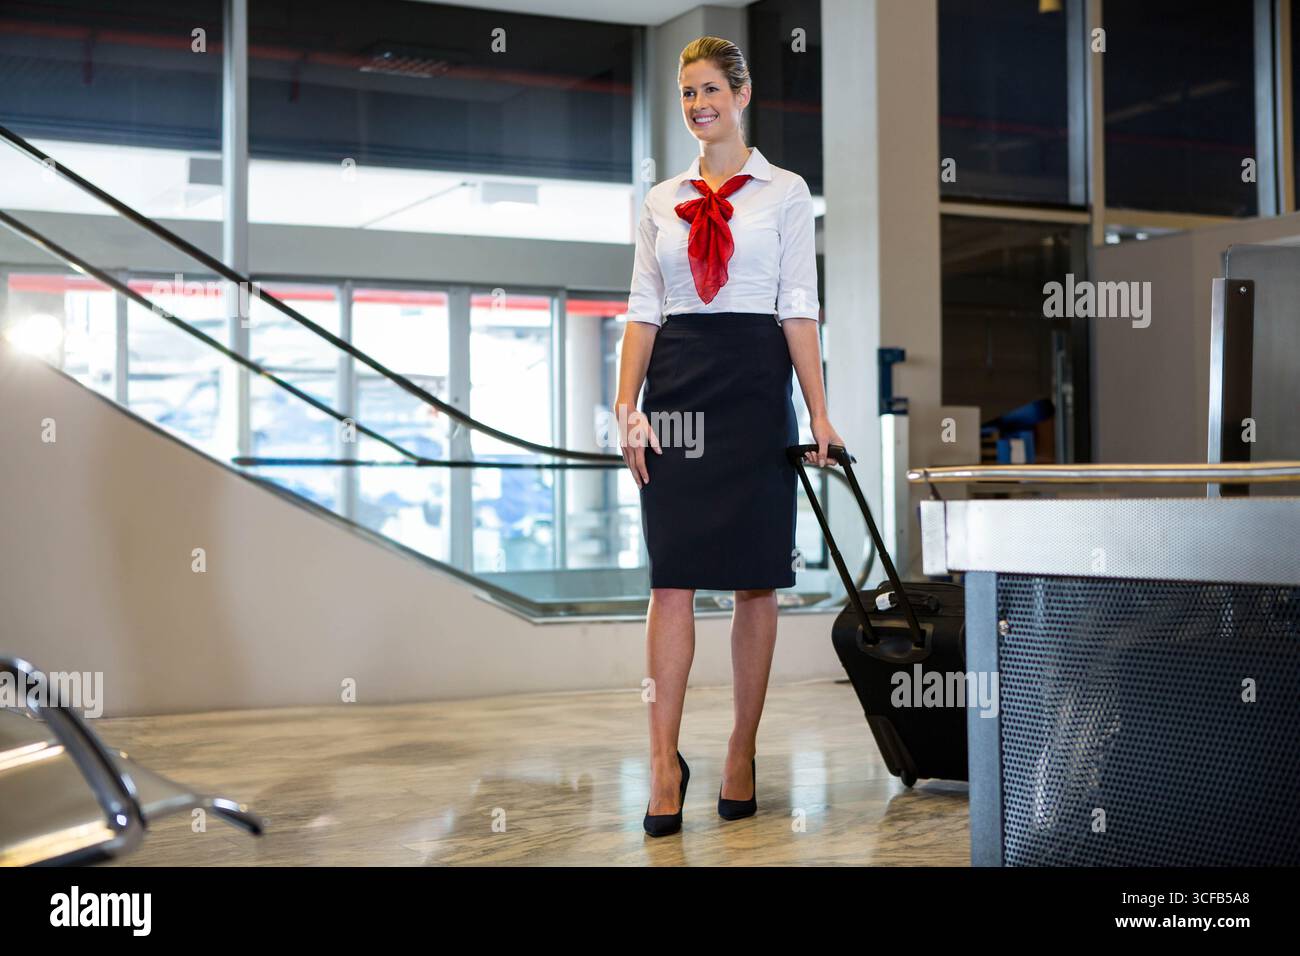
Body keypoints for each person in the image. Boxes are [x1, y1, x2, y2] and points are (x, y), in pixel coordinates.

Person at [612, 36, 844, 837]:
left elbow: (798, 306)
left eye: (710, 89)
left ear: (742, 95)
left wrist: (818, 412)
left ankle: (741, 750)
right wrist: (626, 409)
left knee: (755, 578)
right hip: (676, 384)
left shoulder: (784, 191)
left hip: (754, 384)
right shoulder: (658, 199)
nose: (698, 104)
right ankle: (662, 760)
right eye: (686, 93)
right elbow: (643, 309)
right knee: (670, 577)